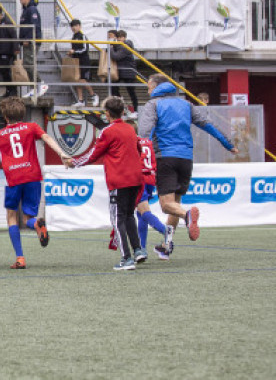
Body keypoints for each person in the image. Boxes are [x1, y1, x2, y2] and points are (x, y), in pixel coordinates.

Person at [137, 74, 237, 257]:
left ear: (157, 87)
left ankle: (188, 215)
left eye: (149, 87)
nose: (148, 90)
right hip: (186, 159)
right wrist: (228, 144)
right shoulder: (186, 104)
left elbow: (145, 132)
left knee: (167, 206)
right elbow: (207, 124)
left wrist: (141, 155)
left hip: (165, 157)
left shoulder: (153, 105)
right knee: (176, 203)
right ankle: (166, 247)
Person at [0, 96, 71, 269]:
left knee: (11, 216)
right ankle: (36, 223)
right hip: (32, 176)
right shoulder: (31, 127)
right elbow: (46, 138)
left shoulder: (0, 134)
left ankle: (20, 258)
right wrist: (61, 154)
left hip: (14, 179)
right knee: (28, 217)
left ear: (5, 117)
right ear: (22, 114)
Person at [70, 97, 146, 270]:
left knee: (117, 218)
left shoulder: (107, 131)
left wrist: (74, 163)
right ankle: (138, 250)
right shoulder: (130, 128)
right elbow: (139, 149)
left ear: (107, 113)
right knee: (128, 215)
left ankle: (126, 258)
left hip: (119, 179)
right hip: (135, 177)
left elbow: (93, 155)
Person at [136, 134, 168, 257]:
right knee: (140, 213)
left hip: (140, 178)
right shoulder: (147, 141)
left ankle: (165, 231)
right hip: (150, 177)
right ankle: (142, 248)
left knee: (144, 211)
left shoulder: (133, 141)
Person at [18, 0, 46, 95]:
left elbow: (34, 26)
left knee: (29, 63)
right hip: (26, 41)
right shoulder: (25, 10)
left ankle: (40, 83)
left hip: (32, 42)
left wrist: (29, 39)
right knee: (26, 64)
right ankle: (33, 88)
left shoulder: (32, 9)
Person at [67, 19, 98, 107]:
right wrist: (71, 54)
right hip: (76, 61)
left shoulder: (82, 36)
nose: (74, 28)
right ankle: (80, 100)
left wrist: (74, 52)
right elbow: (75, 50)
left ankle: (93, 95)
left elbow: (85, 49)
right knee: (77, 80)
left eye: (76, 26)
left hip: (83, 61)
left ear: (79, 26)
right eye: (72, 26)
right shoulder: (73, 37)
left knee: (82, 80)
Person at [109, 30, 139, 117]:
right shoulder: (119, 46)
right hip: (122, 71)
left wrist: (111, 47)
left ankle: (136, 111)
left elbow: (116, 56)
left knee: (131, 91)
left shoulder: (126, 46)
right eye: (117, 38)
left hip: (128, 71)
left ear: (124, 37)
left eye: (120, 38)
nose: (118, 40)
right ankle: (120, 101)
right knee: (113, 87)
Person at [0, 6, 18, 97]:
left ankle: (12, 90)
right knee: (2, 71)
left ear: (0, 15)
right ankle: (9, 90)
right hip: (0, 51)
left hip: (6, 51)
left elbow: (13, 35)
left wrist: (15, 49)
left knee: (5, 71)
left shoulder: (7, 23)